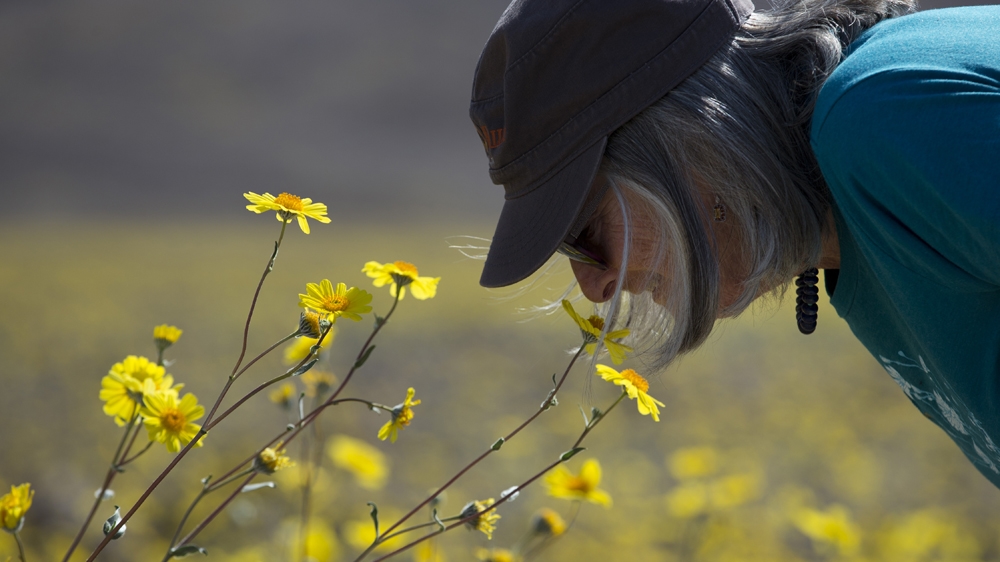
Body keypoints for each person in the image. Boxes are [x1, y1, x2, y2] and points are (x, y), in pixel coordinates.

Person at [468, 0, 1000, 487]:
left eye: (583, 230)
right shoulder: (856, 224)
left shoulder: (887, 121)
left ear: (691, 141)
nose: (594, 285)